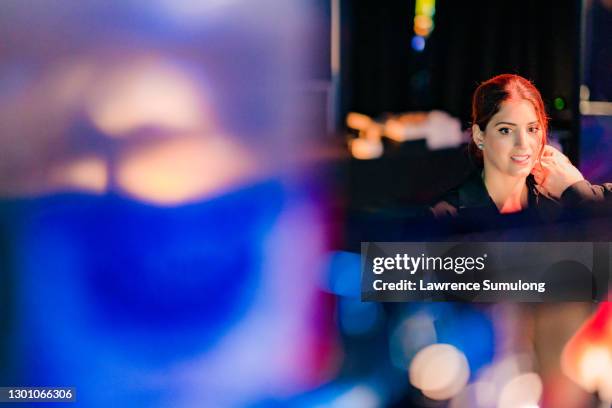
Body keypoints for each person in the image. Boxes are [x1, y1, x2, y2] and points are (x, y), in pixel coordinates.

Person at [431, 74, 611, 221]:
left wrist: (576, 191)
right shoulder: (447, 216)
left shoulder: (561, 203)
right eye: (506, 130)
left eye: (532, 129)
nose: (523, 143)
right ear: (479, 136)